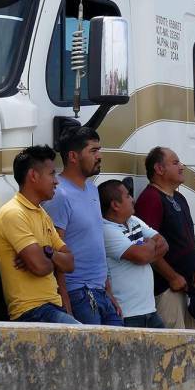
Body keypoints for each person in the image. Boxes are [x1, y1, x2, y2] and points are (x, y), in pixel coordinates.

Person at [44, 127, 123, 326]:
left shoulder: (92, 189)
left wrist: (108, 292)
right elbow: (56, 249)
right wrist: (65, 300)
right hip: (78, 294)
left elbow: (96, 244)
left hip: (100, 292)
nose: (100, 156)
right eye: (93, 151)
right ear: (73, 156)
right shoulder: (59, 194)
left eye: (100, 150)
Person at [0, 146, 78, 324]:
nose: (56, 181)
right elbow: (40, 268)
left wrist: (46, 252)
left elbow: (70, 263)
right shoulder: (13, 213)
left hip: (52, 308)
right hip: (33, 312)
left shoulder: (42, 214)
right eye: (52, 174)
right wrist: (50, 259)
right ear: (33, 175)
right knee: (89, 344)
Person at [137, 147, 195, 329]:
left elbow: (187, 235)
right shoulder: (150, 199)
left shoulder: (180, 197)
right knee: (175, 347)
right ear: (159, 169)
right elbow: (147, 248)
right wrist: (173, 277)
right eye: (175, 163)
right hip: (167, 289)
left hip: (188, 287)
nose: (182, 167)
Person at [99, 180, 170, 329]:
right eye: (128, 196)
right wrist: (149, 244)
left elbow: (164, 244)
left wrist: (144, 252)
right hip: (127, 316)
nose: (133, 199)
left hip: (150, 311)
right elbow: (143, 255)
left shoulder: (133, 220)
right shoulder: (106, 230)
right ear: (115, 205)